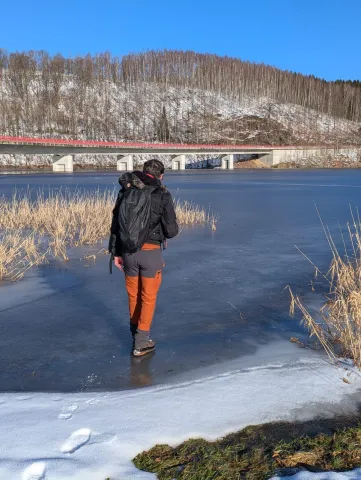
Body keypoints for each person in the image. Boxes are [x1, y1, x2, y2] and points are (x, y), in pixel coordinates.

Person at [109, 159, 178, 357]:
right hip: (151, 253)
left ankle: (135, 334)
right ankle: (141, 342)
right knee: (148, 297)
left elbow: (116, 224)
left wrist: (117, 253)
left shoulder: (126, 190)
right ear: (160, 175)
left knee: (133, 295)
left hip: (128, 253)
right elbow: (171, 230)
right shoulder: (162, 194)